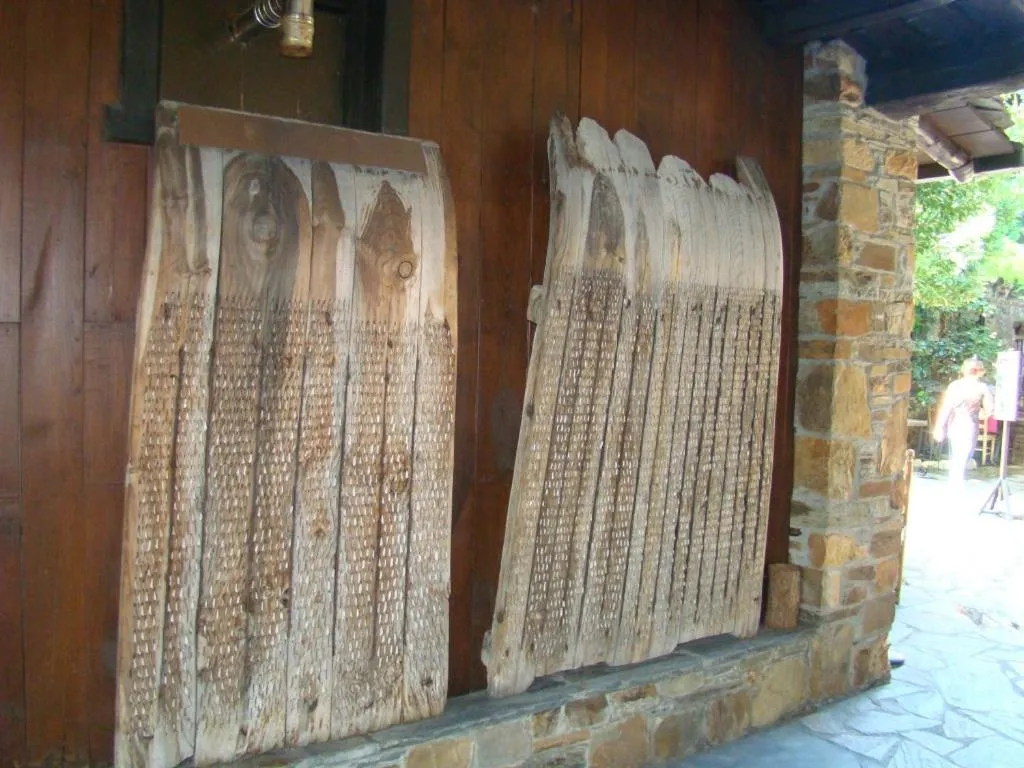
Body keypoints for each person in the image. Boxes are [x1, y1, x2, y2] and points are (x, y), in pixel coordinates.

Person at [932, 357, 993, 486]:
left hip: (955, 423)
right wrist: (982, 414)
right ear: (978, 371)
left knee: (958, 455)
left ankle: (955, 482)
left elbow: (946, 407)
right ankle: (955, 483)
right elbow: (989, 410)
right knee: (962, 456)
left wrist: (939, 426)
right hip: (969, 424)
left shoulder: (956, 386)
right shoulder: (981, 388)